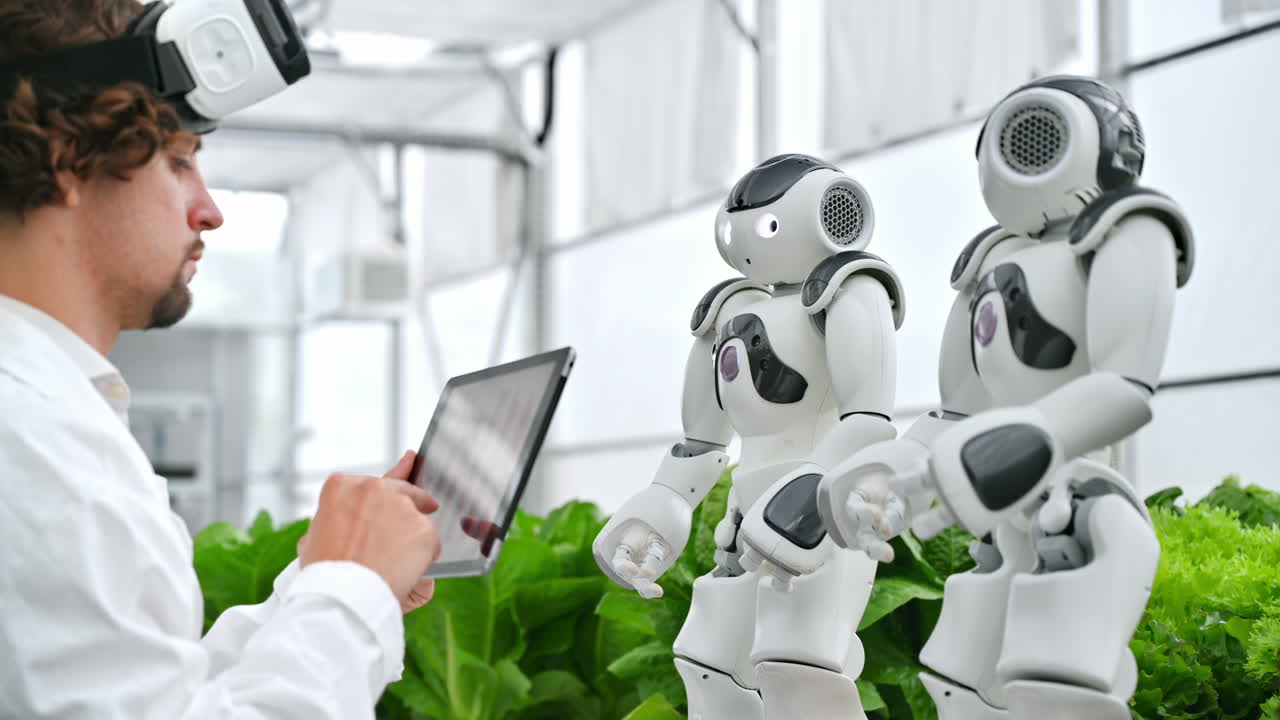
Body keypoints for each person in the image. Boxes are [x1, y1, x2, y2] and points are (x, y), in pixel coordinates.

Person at [0, 1, 444, 717]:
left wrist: (329, 575)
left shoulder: (46, 414)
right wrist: (350, 592)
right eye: (178, 163)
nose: (210, 210)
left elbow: (159, 695)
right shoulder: (33, 442)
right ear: (64, 162)